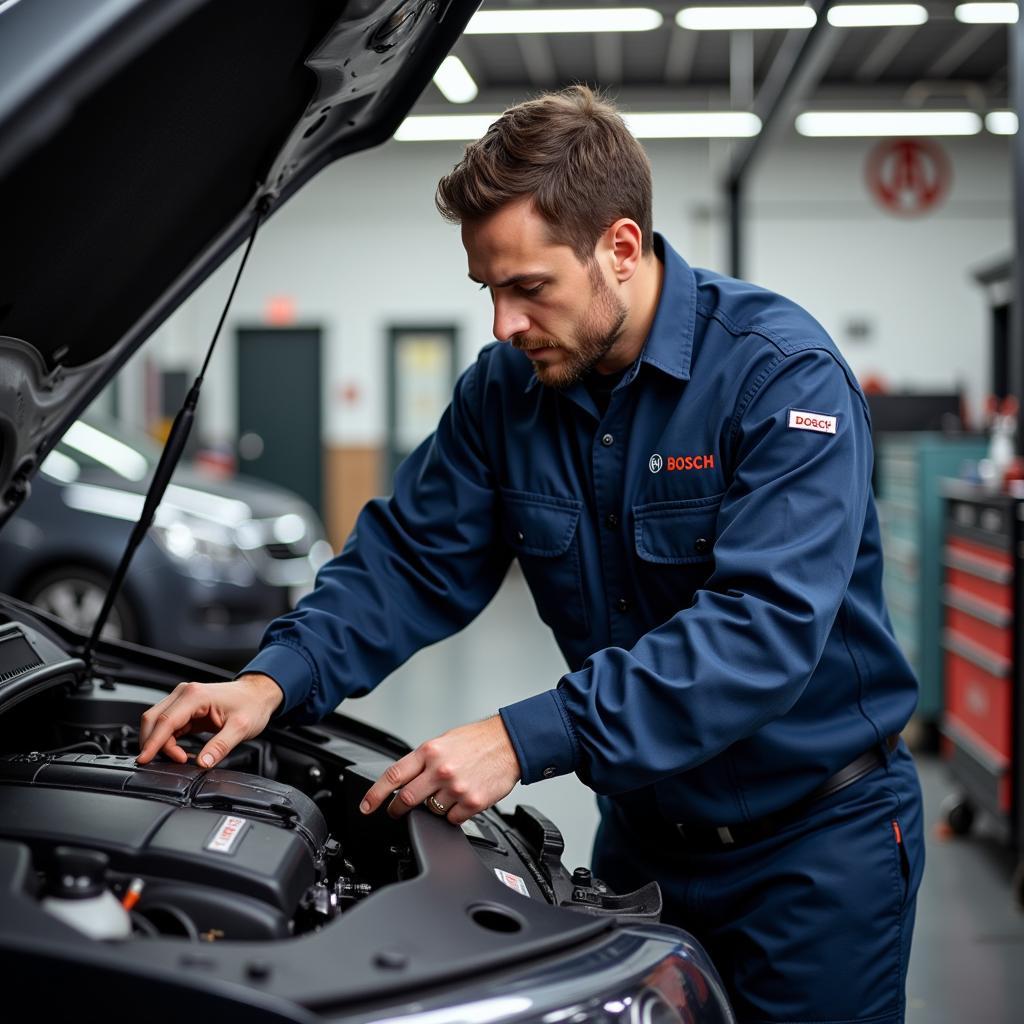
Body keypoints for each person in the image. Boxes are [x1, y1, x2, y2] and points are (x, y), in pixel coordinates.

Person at [137, 86, 924, 1023]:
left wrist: (522, 737)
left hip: (816, 850)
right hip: (647, 839)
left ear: (620, 249)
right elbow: (408, 560)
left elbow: (762, 633)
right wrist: (271, 681)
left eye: (530, 287)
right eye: (489, 290)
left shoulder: (779, 376)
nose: (503, 324)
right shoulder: (506, 392)